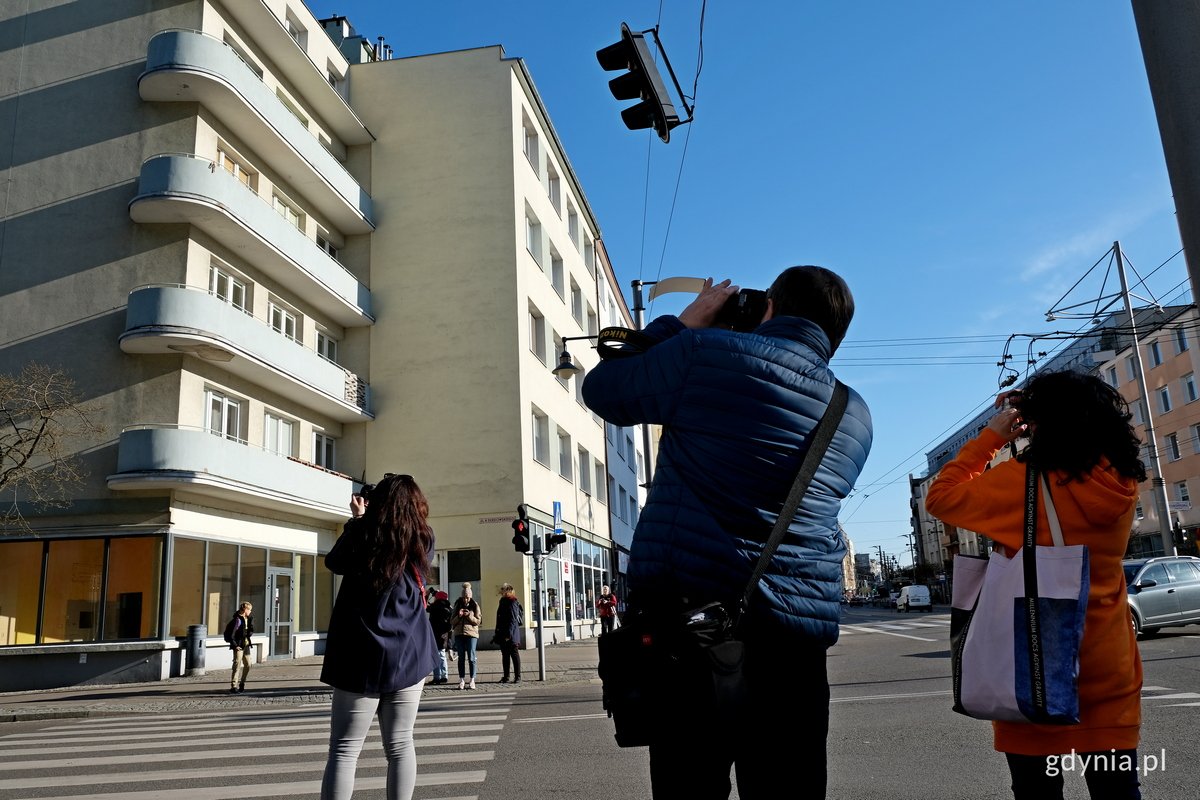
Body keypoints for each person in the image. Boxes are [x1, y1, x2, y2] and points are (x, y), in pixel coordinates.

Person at [582, 267, 873, 800]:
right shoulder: (853, 412)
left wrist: (683, 324)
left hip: (692, 630)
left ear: (769, 308)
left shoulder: (706, 353)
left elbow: (605, 391)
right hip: (796, 641)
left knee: (691, 784)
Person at [925, 370, 1144, 800]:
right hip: (1109, 665)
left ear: (1040, 423)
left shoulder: (1022, 483)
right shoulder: (1122, 480)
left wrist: (992, 437)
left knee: (1037, 792)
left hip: (1034, 665)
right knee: (1118, 789)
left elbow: (941, 496)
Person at [319, 474, 439, 800]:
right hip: (408, 654)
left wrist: (358, 519)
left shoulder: (361, 536)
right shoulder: (422, 540)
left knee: (344, 751)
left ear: (377, 505)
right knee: (400, 744)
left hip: (358, 656)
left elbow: (335, 561)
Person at [451, 582, 481, 690]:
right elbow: (452, 621)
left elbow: (478, 621)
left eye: (467, 597)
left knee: (472, 658)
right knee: (461, 658)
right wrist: (459, 616)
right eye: (464, 597)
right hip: (459, 634)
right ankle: (461, 680)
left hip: (472, 635)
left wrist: (469, 616)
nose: (465, 599)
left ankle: (472, 680)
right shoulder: (457, 604)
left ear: (470, 596)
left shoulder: (475, 605)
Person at [494, 583, 523, 683]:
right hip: (503, 632)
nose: (502, 592)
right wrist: (497, 631)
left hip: (512, 633)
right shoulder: (502, 601)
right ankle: (506, 677)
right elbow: (499, 617)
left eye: (503, 591)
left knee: (514, 654)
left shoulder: (512, 602)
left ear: (508, 591)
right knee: (505, 655)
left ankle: (517, 677)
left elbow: (513, 620)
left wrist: (508, 635)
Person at [225, 601, 253, 694]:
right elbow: (231, 634)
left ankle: (242, 683)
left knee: (248, 664)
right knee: (237, 665)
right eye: (250, 610)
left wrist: (250, 632)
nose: (250, 612)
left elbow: (250, 630)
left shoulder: (248, 618)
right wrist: (235, 645)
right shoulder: (237, 620)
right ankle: (234, 686)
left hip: (246, 645)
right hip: (238, 646)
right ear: (245, 609)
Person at [427, 589, 453, 685]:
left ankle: (437, 677)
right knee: (442, 655)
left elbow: (425, 606)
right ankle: (444, 676)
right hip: (444, 634)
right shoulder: (449, 608)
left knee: (435, 655)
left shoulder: (434, 606)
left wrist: (428, 594)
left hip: (434, 633)